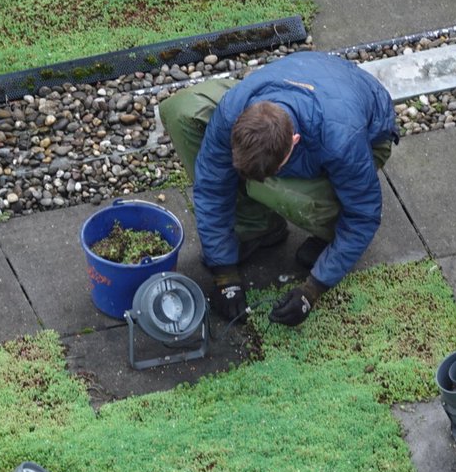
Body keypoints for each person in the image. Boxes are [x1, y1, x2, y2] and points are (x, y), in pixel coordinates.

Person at [158, 50, 398, 327]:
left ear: (294, 141)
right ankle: (256, 228)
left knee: (275, 191)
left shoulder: (342, 141)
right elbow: (212, 185)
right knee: (181, 112)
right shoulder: (233, 110)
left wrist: (313, 289)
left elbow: (363, 216)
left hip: (366, 132)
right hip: (312, 82)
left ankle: (328, 234)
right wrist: (224, 275)